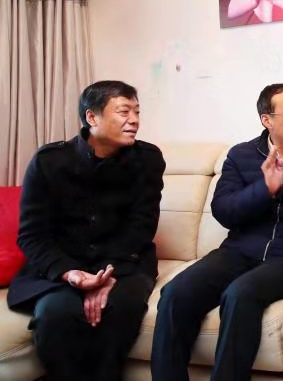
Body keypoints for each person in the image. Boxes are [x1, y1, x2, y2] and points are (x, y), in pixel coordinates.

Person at [151, 83, 283, 381]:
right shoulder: (241, 155)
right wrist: (265, 190)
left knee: (240, 294)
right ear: (267, 119)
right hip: (238, 251)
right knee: (175, 293)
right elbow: (223, 210)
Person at [7, 80, 165, 381]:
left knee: (120, 308)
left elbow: (142, 225)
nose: (134, 120)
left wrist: (108, 274)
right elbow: (32, 234)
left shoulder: (147, 159)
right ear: (92, 117)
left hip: (125, 262)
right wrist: (70, 274)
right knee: (56, 313)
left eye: (137, 112)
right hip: (63, 264)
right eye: (124, 112)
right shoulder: (49, 161)